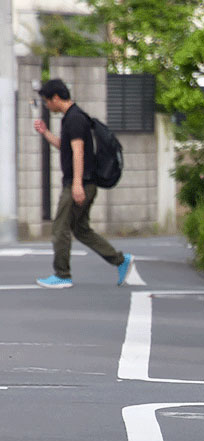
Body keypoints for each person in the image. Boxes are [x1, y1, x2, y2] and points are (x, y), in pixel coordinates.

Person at [33, 79, 133, 289]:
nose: (46, 105)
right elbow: (66, 147)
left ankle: (62, 274)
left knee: (60, 227)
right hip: (83, 183)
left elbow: (78, 152)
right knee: (81, 229)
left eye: (46, 101)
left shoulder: (75, 119)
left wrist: (77, 184)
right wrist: (45, 133)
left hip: (79, 184)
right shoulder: (72, 117)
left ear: (56, 98)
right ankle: (120, 260)